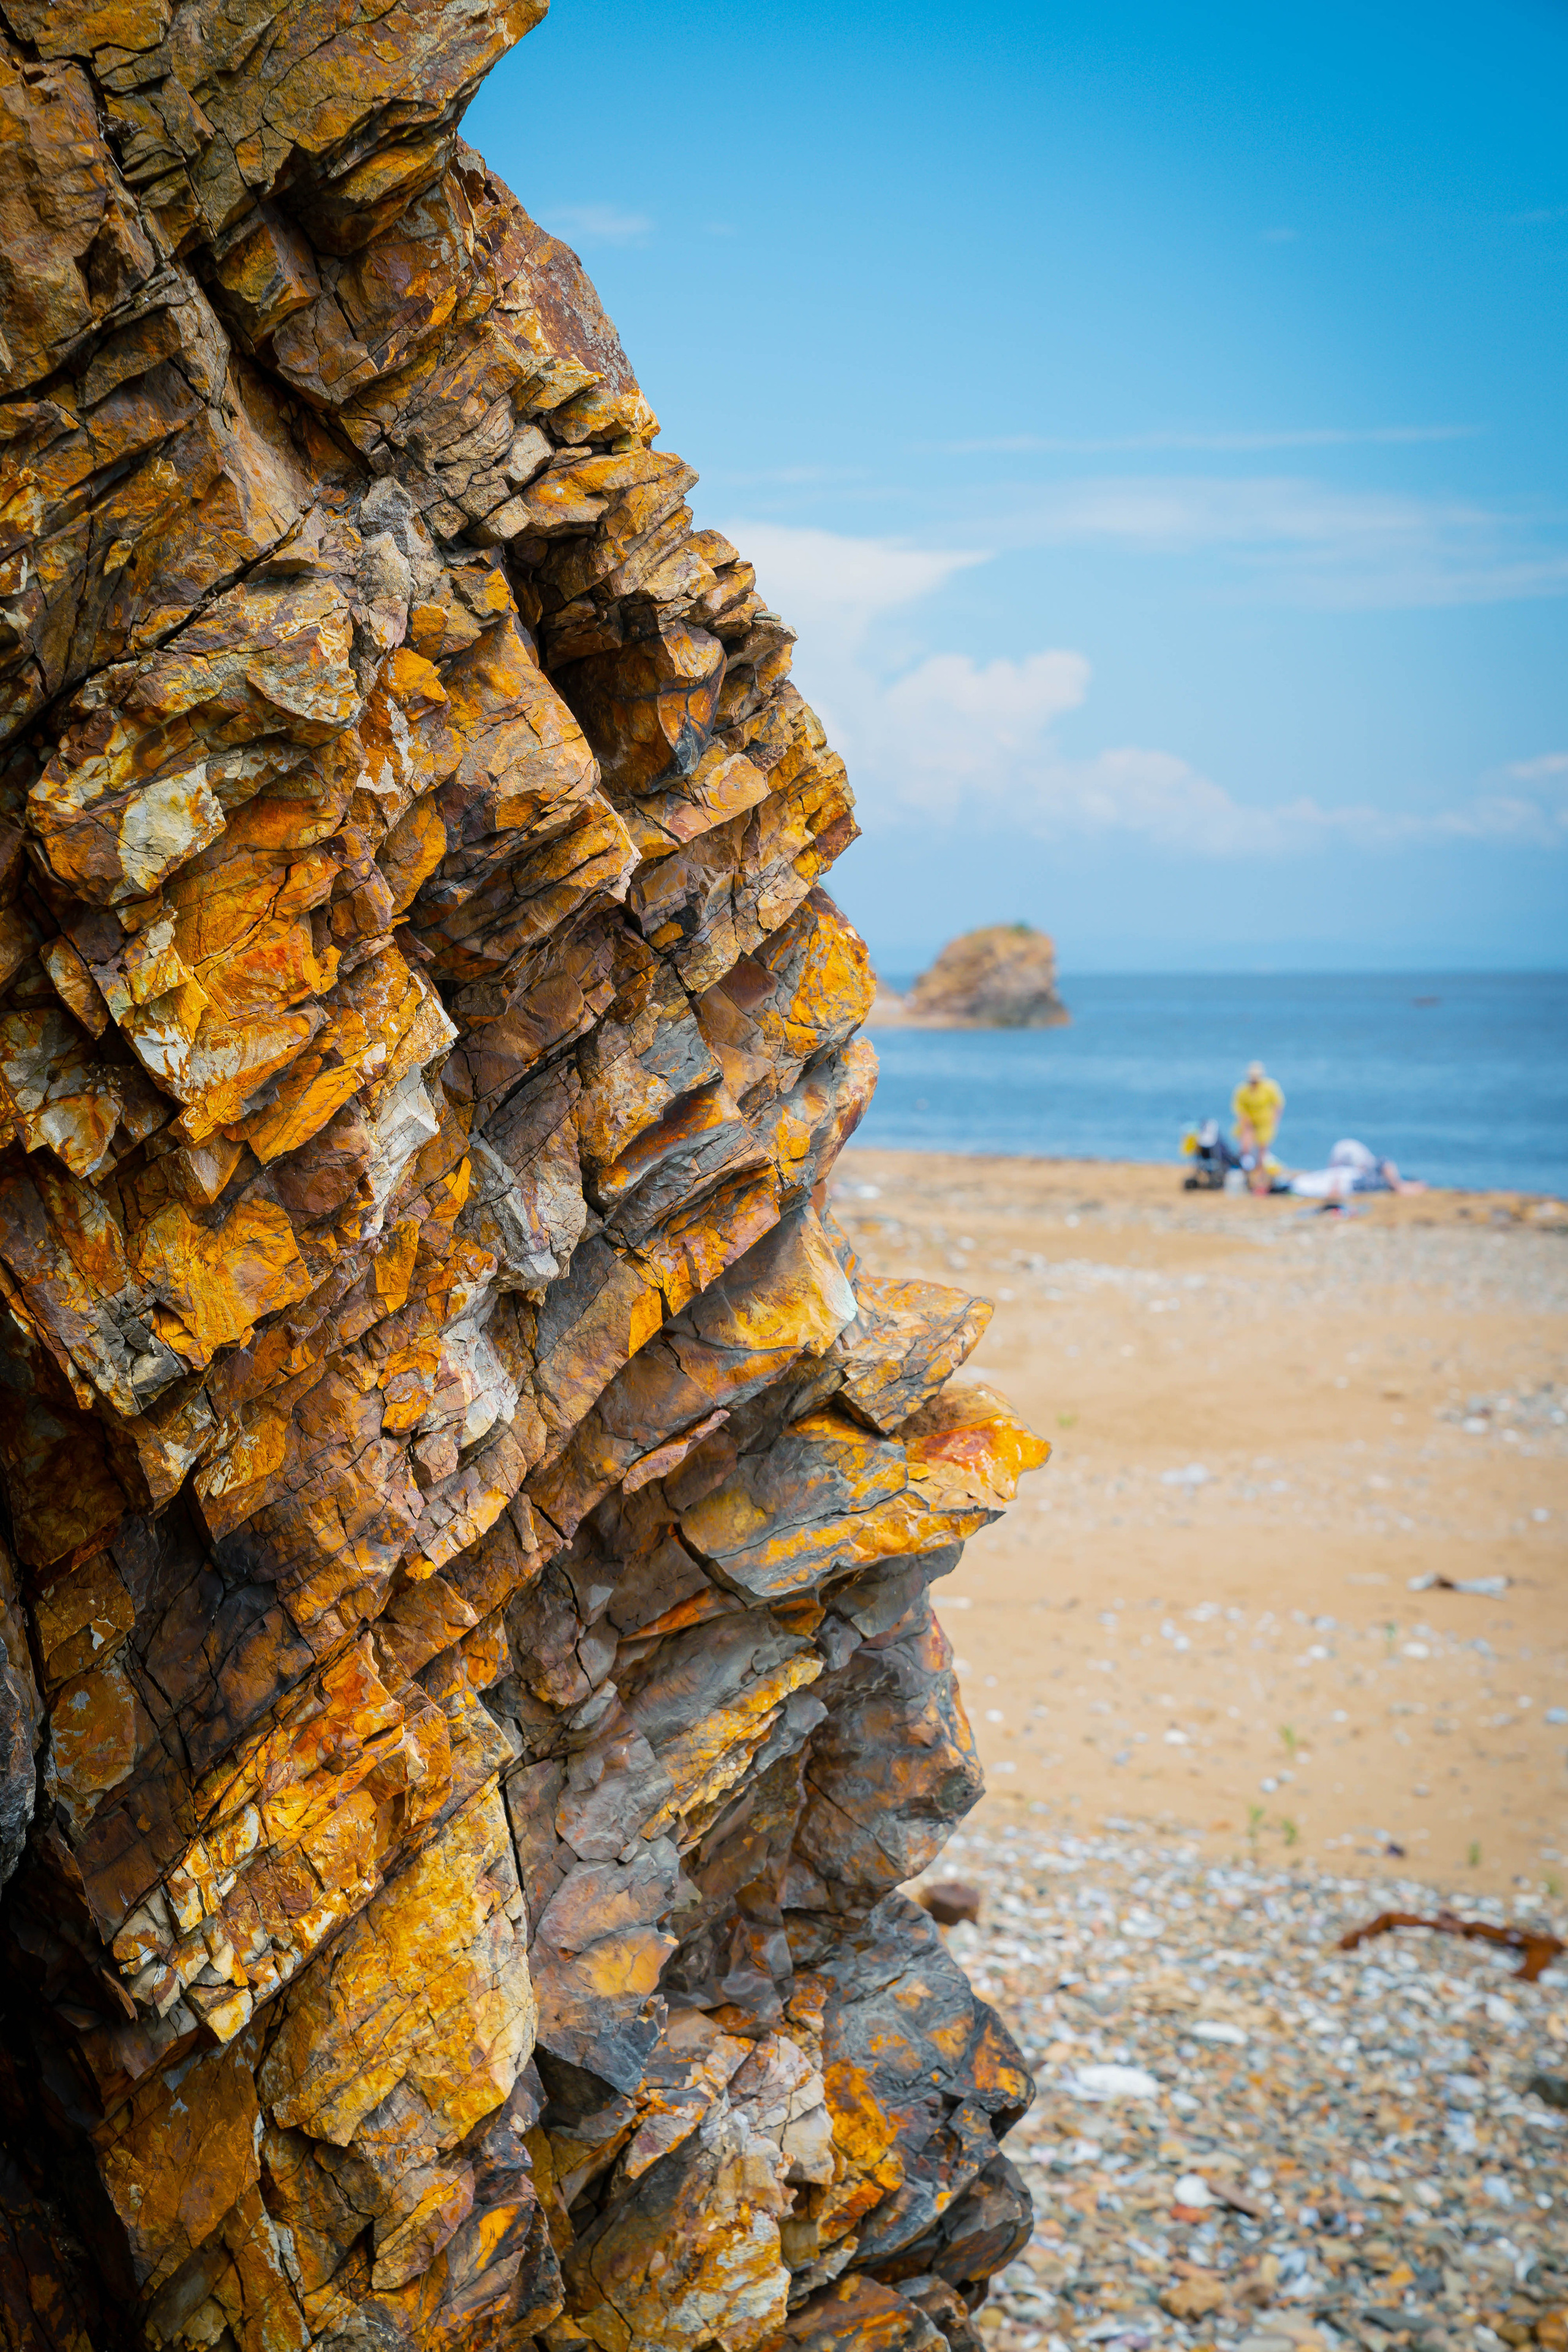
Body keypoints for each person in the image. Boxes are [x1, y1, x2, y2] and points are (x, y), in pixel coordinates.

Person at [1231, 1059, 1285, 1194]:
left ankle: (1260, 1181)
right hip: (1248, 1123)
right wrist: (1245, 1122)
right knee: (1245, 1150)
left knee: (1262, 1153)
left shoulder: (1270, 1087)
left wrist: (1274, 1120)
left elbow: (1278, 1104)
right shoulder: (1243, 1090)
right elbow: (1239, 1108)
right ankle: (1246, 1176)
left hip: (1264, 1124)